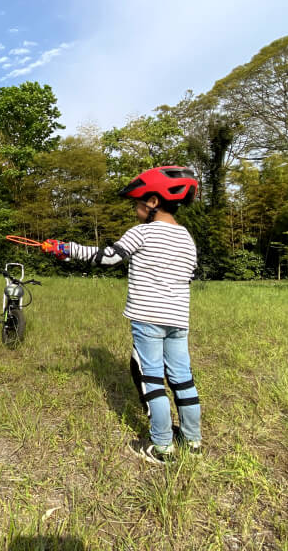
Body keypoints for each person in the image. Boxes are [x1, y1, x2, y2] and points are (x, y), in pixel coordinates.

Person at [42, 166, 202, 464]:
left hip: (148, 319)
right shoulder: (186, 238)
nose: (135, 208)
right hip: (179, 320)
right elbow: (189, 275)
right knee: (182, 378)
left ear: (153, 201)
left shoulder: (142, 232)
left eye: (138, 202)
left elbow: (108, 257)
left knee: (150, 377)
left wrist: (66, 248)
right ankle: (192, 440)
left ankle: (162, 447)